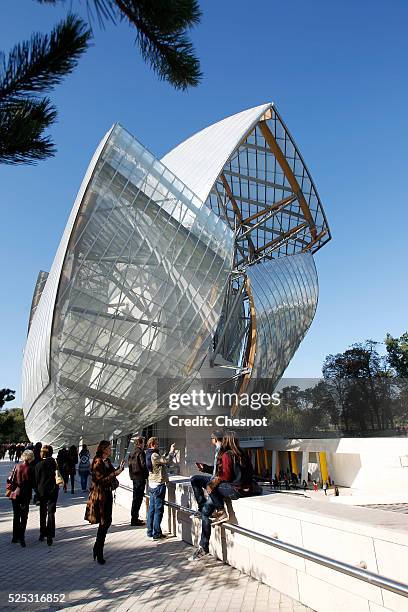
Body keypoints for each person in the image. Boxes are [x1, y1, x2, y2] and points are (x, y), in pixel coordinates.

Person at [189, 432, 255, 562]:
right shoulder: (243, 453)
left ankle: (219, 512)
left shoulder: (226, 454)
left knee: (209, 492)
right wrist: (207, 469)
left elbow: (226, 475)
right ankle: (203, 545)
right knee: (197, 483)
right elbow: (242, 472)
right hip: (242, 488)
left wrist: (214, 482)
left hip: (233, 489)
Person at [85, 440, 125, 564]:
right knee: (104, 522)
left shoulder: (106, 461)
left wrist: (119, 469)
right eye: (109, 447)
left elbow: (112, 474)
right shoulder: (97, 462)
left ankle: (97, 548)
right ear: (103, 449)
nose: (110, 449)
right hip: (100, 496)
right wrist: (116, 472)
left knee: (107, 521)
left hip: (107, 494)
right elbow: (100, 480)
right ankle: (98, 550)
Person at [145, 437, 176, 540]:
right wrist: (171, 451)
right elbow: (166, 461)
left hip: (152, 484)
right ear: (152, 445)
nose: (158, 446)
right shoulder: (154, 455)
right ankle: (156, 533)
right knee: (158, 510)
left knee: (152, 509)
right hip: (158, 484)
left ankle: (150, 531)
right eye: (156, 444)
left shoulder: (148, 453)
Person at [190, 431, 223, 514]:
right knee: (194, 479)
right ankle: (201, 506)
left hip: (218, 481)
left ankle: (218, 509)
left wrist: (213, 483)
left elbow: (222, 472)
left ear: (215, 439)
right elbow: (217, 469)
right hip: (214, 478)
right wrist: (205, 468)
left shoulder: (222, 450)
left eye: (211, 438)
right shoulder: (217, 449)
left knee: (206, 511)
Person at [35, 445, 59, 546]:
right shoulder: (54, 463)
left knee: (43, 512)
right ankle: (50, 536)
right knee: (51, 512)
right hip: (53, 490)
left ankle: (42, 533)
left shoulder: (39, 465)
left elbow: (36, 480)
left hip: (42, 492)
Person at [10, 449, 35, 547]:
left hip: (15, 494)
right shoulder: (31, 468)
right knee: (24, 516)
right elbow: (33, 483)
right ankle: (22, 537)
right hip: (26, 494)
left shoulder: (17, 466)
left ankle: (15, 537)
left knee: (16, 515)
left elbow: (11, 479)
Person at [128, 436, 148, 526]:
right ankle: (135, 519)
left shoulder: (132, 452)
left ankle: (134, 518)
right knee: (138, 499)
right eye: (143, 442)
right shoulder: (140, 452)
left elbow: (130, 465)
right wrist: (147, 474)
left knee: (135, 498)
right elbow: (143, 465)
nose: (144, 444)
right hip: (140, 478)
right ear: (140, 443)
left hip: (134, 477)